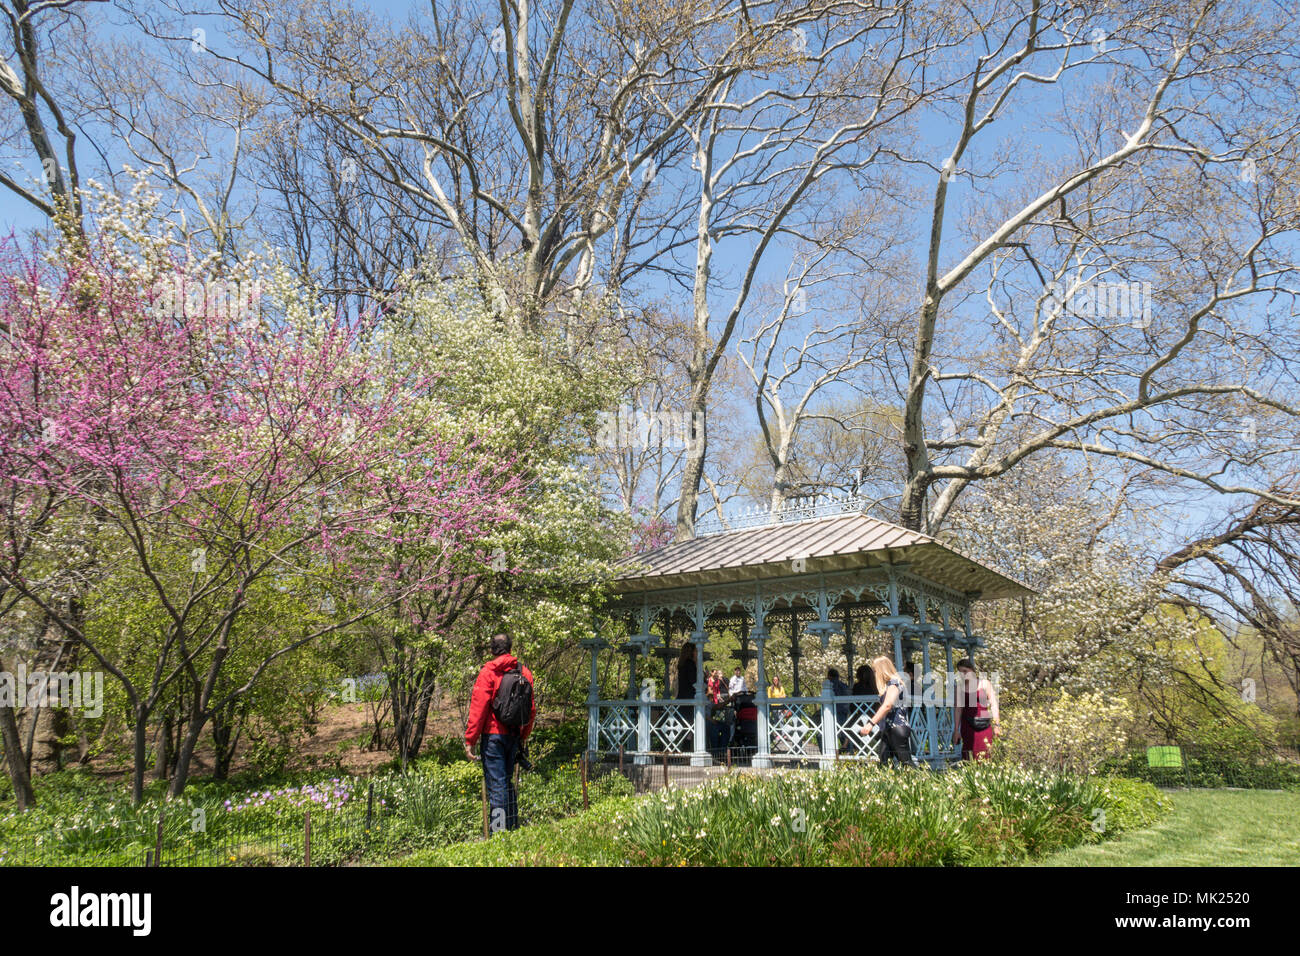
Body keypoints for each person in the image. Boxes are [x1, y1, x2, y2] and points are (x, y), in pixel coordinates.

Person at [464, 634, 536, 832]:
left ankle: (498, 833)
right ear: (510, 648)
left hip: (493, 736)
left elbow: (479, 709)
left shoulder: (488, 672)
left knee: (497, 785)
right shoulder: (524, 672)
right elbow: (530, 710)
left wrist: (470, 739)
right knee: (506, 782)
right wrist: (523, 736)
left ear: (492, 650)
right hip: (513, 735)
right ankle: (512, 827)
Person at [857, 656, 912, 767]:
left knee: (907, 765)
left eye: (875, 670)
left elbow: (887, 705)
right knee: (883, 763)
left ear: (882, 670)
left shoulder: (894, 683)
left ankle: (922, 781)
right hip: (888, 729)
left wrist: (871, 724)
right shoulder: (889, 685)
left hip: (897, 728)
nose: (874, 673)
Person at [952, 658, 999, 759]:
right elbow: (958, 709)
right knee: (969, 754)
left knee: (986, 752)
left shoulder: (985, 683)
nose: (963, 675)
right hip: (967, 725)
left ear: (972, 670)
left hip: (984, 724)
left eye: (965, 671)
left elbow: (994, 704)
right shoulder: (959, 688)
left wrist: (997, 724)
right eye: (960, 672)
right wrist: (956, 730)